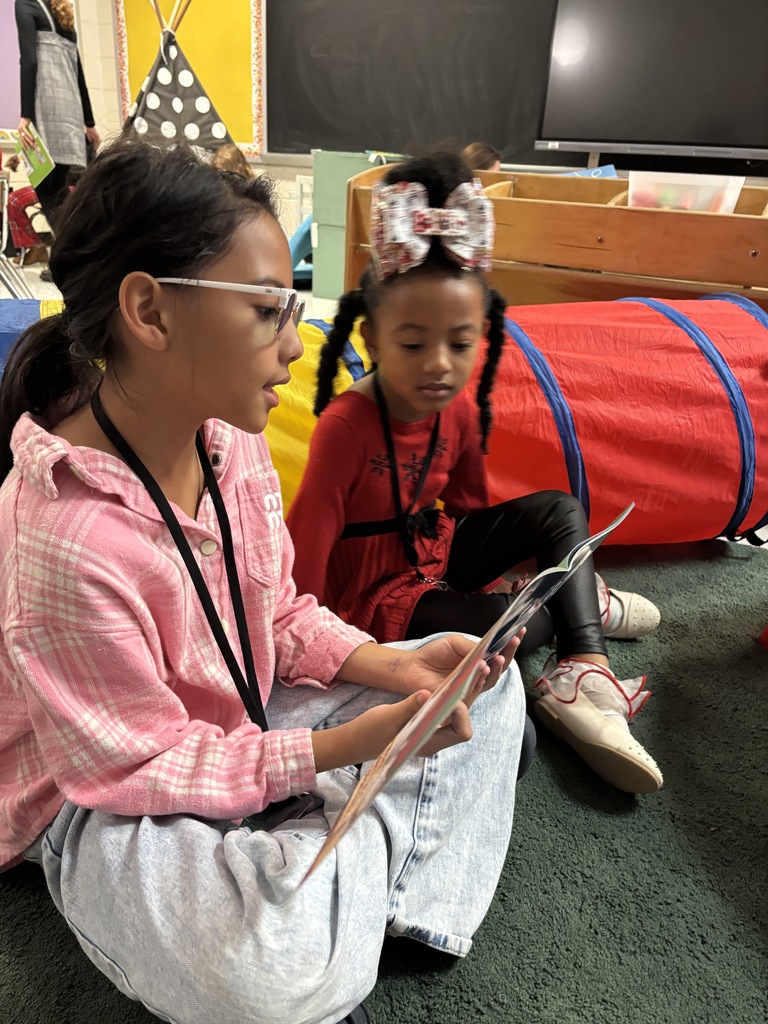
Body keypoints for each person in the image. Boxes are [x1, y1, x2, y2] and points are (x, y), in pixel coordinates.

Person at [0, 136, 526, 1024]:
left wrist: (386, 664)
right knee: (262, 974)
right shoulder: (60, 536)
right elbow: (138, 766)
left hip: (243, 710)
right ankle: (353, 897)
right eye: (270, 310)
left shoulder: (230, 437)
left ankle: (329, 897)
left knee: (484, 687)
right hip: (107, 793)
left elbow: (274, 613)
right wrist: (340, 753)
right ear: (150, 312)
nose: (296, 342)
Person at [287, 152, 664, 796]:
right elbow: (307, 559)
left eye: (460, 343)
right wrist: (324, 661)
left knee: (560, 510)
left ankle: (583, 668)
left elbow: (467, 511)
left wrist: (497, 571)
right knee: (510, 627)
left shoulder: (456, 409)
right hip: (373, 594)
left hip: (432, 555)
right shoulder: (346, 428)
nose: (438, 365)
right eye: (412, 343)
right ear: (373, 338)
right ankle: (579, 601)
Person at [14, 0, 100, 231]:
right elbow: (78, 71)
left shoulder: (25, 5)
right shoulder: (63, 13)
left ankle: (71, 253)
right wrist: (89, 122)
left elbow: (29, 61)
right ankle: (78, 249)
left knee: (46, 190)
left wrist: (26, 116)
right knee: (60, 192)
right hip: (71, 117)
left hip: (45, 112)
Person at [0, 151, 47, 266]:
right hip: (47, 183)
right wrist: (19, 157)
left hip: (70, 183)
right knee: (13, 201)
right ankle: (36, 247)